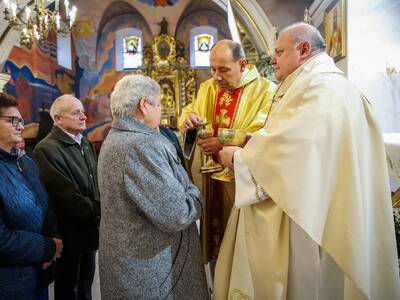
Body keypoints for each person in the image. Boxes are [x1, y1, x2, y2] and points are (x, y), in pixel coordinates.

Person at [215, 23, 400, 299]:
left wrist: (239, 158)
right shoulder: (326, 84)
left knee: (315, 285)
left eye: (279, 51)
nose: (273, 59)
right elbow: (300, 139)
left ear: (303, 50)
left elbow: (294, 151)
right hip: (329, 207)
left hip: (315, 222)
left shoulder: (320, 88)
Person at [98, 75, 208, 299]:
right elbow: (177, 214)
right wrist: (197, 193)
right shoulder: (141, 145)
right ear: (144, 105)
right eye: (158, 104)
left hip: (133, 260)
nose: (161, 110)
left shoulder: (117, 136)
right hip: (151, 271)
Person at [178, 39, 275, 262]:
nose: (216, 76)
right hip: (212, 183)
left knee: (243, 253)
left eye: (223, 69)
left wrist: (221, 144)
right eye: (212, 69)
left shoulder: (265, 91)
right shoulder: (208, 88)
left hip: (243, 184)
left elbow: (266, 134)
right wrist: (189, 121)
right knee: (217, 249)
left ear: (242, 64)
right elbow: (188, 114)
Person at [33, 95, 100, 300]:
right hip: (68, 232)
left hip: (88, 229)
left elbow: (95, 182)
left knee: (86, 286)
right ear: (58, 119)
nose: (83, 116)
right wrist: (101, 211)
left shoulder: (85, 143)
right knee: (67, 288)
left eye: (82, 111)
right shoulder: (46, 148)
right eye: (76, 112)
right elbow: (65, 195)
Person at [0, 92, 62, 299]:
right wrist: (47, 247)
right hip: (8, 282)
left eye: (21, 120)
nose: (20, 126)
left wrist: (55, 238)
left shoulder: (25, 162)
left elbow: (45, 204)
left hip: (37, 274)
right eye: (13, 121)